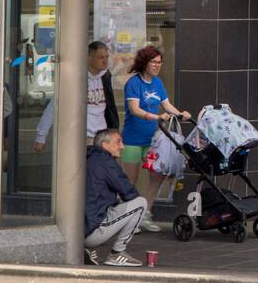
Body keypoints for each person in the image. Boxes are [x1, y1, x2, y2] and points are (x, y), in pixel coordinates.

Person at [120, 46, 191, 232]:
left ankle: (144, 214)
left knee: (156, 176)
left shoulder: (157, 83)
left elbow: (166, 105)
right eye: (154, 62)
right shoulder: (134, 84)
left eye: (160, 62)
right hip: (132, 141)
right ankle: (125, 219)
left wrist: (181, 114)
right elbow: (134, 109)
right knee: (130, 180)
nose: (157, 66)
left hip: (152, 142)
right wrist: (155, 117)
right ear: (145, 63)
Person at [34, 41, 120, 151]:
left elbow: (110, 107)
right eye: (100, 57)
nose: (105, 61)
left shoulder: (105, 77)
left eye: (106, 57)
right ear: (89, 57)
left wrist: (114, 133)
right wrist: (41, 137)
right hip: (81, 138)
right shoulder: (75, 78)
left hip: (102, 138)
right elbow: (54, 106)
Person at [83, 128, 147, 266]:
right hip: (91, 231)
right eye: (118, 142)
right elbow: (129, 193)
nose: (122, 147)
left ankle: (84, 250)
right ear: (105, 145)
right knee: (140, 203)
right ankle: (117, 253)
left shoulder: (87, 157)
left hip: (75, 231)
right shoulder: (106, 161)